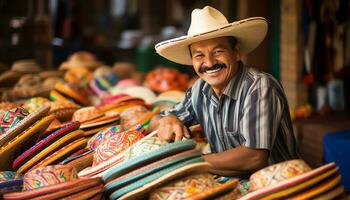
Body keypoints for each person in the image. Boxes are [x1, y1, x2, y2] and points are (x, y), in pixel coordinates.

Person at [150, 6, 300, 177]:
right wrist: (169, 119)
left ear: (236, 53)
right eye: (199, 55)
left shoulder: (259, 86)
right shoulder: (200, 89)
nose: (209, 62)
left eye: (218, 51)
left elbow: (254, 157)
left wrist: (191, 161)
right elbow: (155, 123)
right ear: (192, 61)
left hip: (279, 186)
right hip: (232, 185)